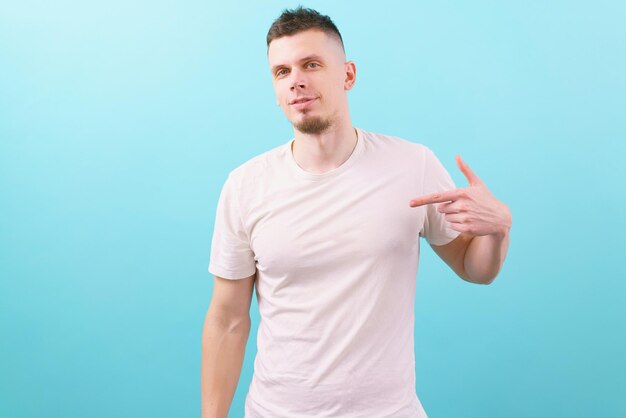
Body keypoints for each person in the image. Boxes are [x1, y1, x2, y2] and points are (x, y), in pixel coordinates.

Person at [201, 6, 512, 418]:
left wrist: (498, 229)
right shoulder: (245, 186)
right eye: (282, 72)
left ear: (347, 75)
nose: (297, 81)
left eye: (311, 64)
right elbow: (228, 320)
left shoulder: (412, 165)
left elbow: (475, 269)